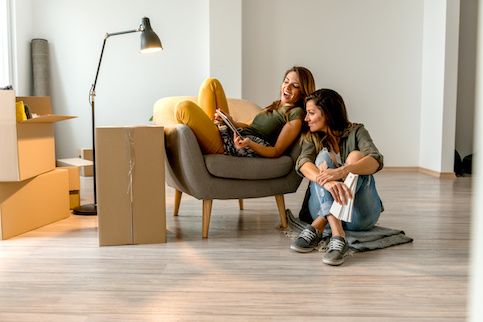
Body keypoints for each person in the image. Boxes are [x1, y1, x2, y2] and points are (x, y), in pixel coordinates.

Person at [290, 88, 384, 266]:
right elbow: (303, 163)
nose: (306, 118)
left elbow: (376, 161)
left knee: (356, 158)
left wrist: (343, 171)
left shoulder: (357, 131)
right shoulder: (313, 137)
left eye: (311, 113)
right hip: (320, 205)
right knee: (321, 160)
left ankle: (317, 225)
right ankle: (338, 235)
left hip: (359, 215)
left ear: (327, 113)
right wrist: (327, 182)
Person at [175, 66, 315, 157]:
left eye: (295, 85)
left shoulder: (296, 114)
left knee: (184, 108)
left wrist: (249, 144)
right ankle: (206, 136)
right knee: (212, 84)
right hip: (231, 133)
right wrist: (231, 121)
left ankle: (204, 139)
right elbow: (251, 128)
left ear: (303, 92)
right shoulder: (276, 106)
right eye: (286, 81)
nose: (287, 87)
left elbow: (276, 151)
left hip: (229, 145)